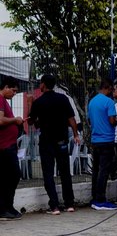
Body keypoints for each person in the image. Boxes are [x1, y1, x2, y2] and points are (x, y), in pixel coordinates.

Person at [28, 74, 80, 215]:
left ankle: (55, 206)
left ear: (43, 84)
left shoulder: (38, 102)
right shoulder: (63, 99)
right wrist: (75, 134)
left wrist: (30, 104)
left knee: (48, 174)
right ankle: (69, 204)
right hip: (61, 140)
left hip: (46, 142)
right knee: (64, 172)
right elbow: (71, 118)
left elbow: (31, 121)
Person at [88, 78, 117, 210]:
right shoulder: (109, 102)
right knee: (104, 171)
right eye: (111, 90)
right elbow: (112, 121)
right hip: (107, 140)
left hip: (95, 140)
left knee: (96, 170)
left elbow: (90, 120)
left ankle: (94, 197)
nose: (112, 92)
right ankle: (101, 200)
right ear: (107, 88)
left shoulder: (92, 102)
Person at [0, 76, 23, 221]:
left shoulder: (4, 101)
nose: (14, 94)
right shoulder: (0, 100)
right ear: (6, 87)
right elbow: (0, 120)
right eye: (13, 91)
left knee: (9, 177)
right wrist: (15, 120)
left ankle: (8, 207)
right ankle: (4, 208)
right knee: (12, 175)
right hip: (4, 146)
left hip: (9, 144)